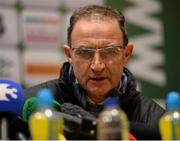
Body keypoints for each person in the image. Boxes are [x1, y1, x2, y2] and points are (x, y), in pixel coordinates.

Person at [23, 5, 165, 139]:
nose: (97, 66)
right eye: (84, 52)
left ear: (126, 54)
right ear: (69, 55)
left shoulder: (157, 123)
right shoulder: (27, 107)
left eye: (109, 51)